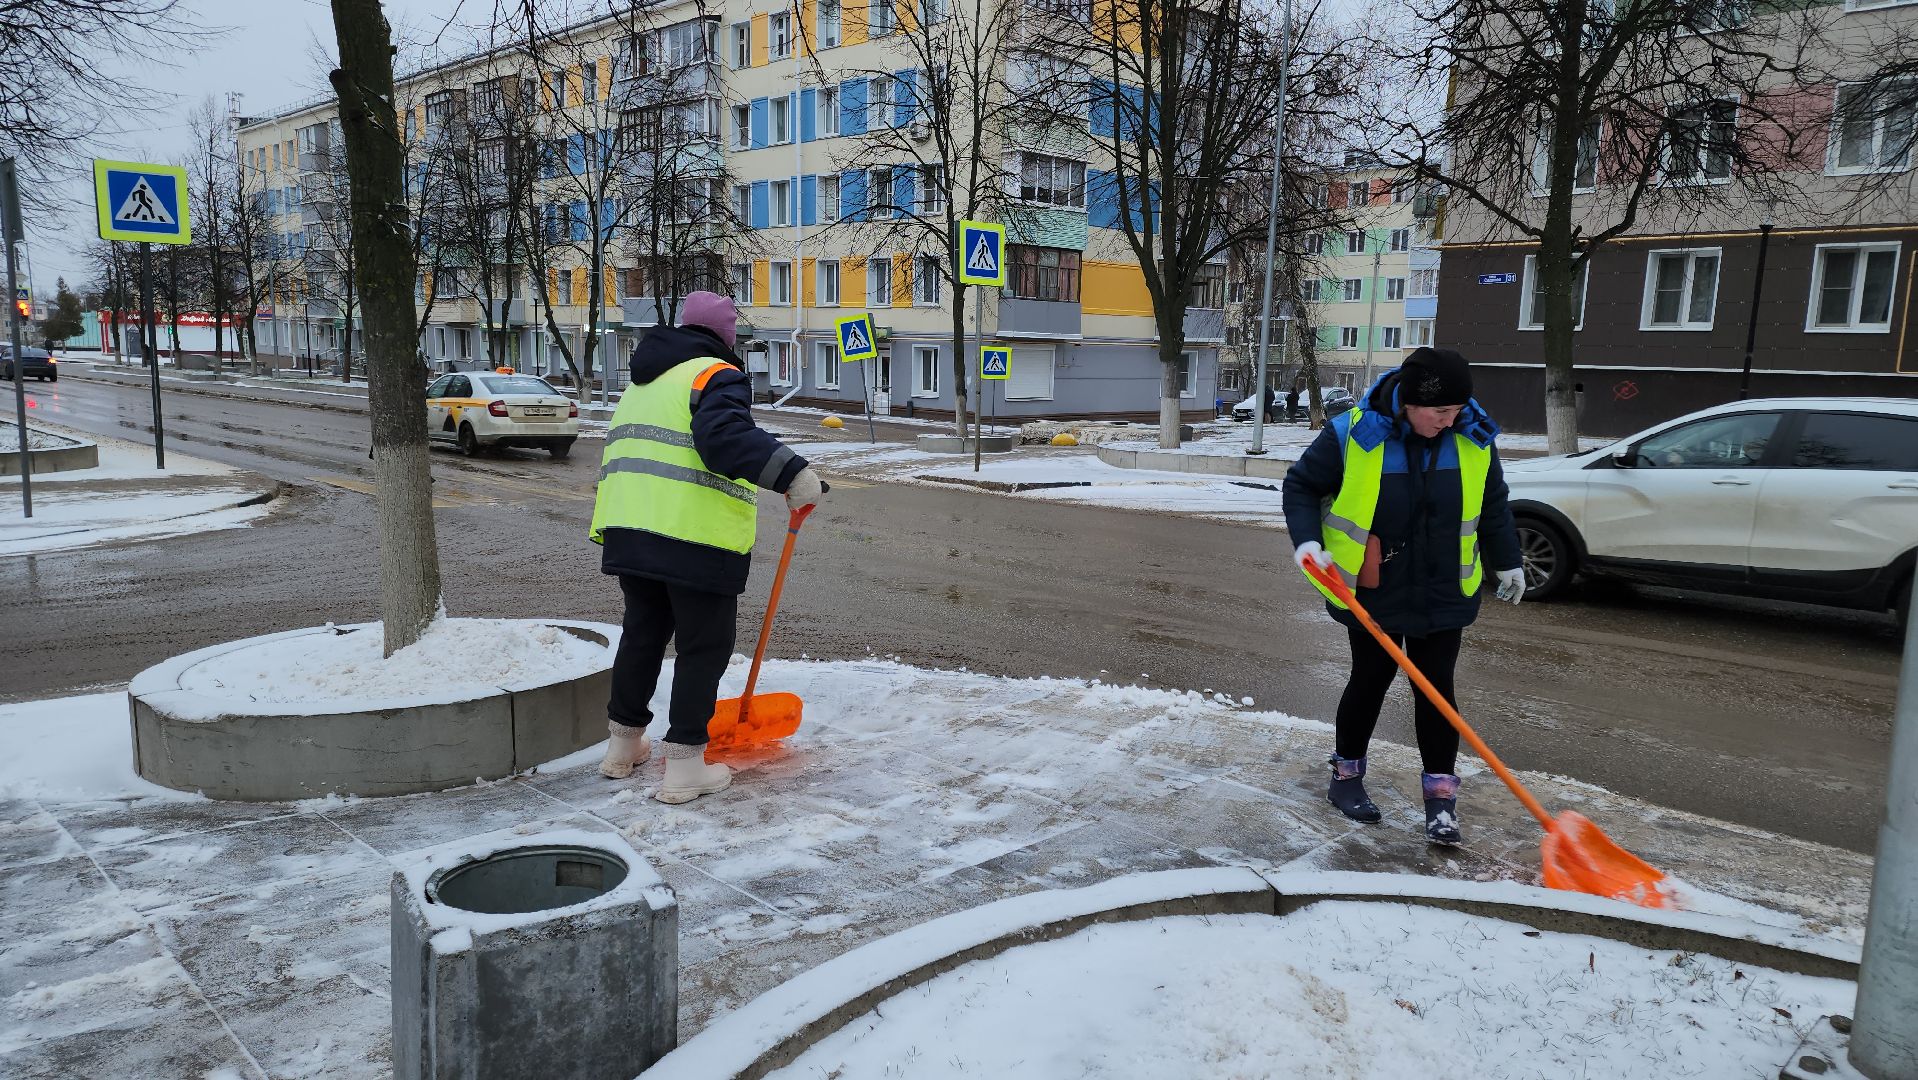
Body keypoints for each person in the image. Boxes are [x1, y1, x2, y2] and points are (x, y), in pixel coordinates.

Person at [1279, 347, 1524, 845]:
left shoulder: (1473, 437)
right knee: (1369, 682)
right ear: (1411, 402)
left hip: (1444, 590)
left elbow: (1493, 504)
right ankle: (1345, 779)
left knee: (1437, 692)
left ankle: (1440, 800)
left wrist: (1509, 560)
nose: (1450, 420)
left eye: (1456, 410)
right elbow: (1301, 486)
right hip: (1375, 590)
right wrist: (1307, 541)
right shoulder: (1354, 433)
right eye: (1440, 411)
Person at [590, 291, 825, 804]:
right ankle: (686, 765)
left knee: (643, 636)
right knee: (703, 647)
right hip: (691, 535)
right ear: (724, 335)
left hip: (631, 528)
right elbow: (722, 438)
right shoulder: (714, 374)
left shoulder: (647, 380)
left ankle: (622, 746)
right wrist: (793, 473)